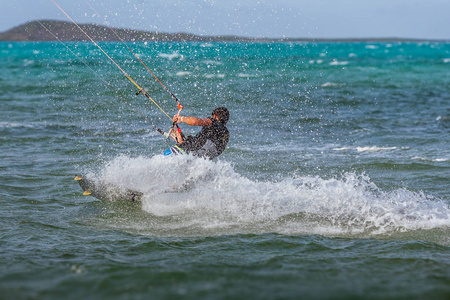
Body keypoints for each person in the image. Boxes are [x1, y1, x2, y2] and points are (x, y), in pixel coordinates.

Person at [163, 107, 230, 160]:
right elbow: (203, 149)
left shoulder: (213, 122)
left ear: (215, 116)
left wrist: (182, 118)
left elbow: (195, 121)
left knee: (161, 159)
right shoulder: (225, 136)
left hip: (187, 152)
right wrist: (181, 141)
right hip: (198, 163)